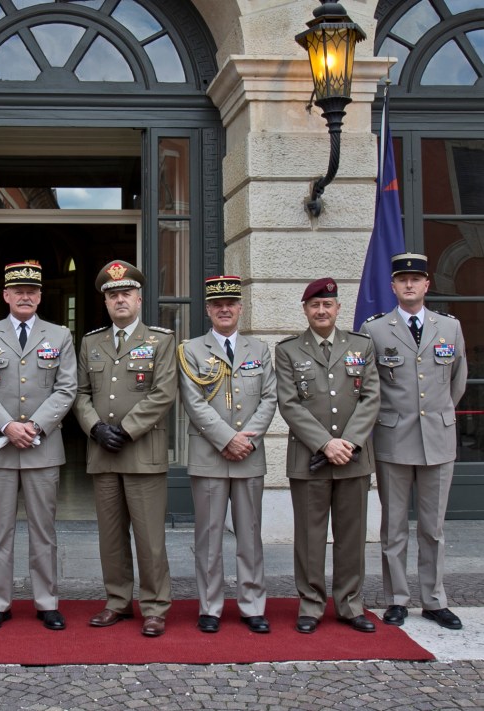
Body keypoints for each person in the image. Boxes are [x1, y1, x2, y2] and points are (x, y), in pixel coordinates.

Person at [0, 260, 77, 632]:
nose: (25, 296)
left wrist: (36, 426)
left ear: (40, 296)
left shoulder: (59, 335)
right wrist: (8, 426)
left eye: (32, 291)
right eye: (18, 291)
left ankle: (46, 602)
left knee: (44, 530)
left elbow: (67, 389)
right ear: (6, 295)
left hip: (43, 447)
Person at [361, 253, 468, 630]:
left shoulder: (449, 328)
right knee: (393, 527)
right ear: (393, 286)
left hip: (438, 439)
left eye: (416, 279)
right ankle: (397, 599)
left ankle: (435, 600)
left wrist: (438, 415)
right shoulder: (375, 330)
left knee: (432, 528)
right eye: (402, 279)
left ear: (426, 285)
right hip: (393, 438)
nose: (409, 285)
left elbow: (458, 380)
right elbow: (368, 386)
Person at [72, 260, 177, 637]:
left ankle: (154, 606)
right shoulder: (90, 342)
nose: (120, 300)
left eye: (126, 293)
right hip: (103, 453)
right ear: (105, 301)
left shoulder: (161, 341)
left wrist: (127, 430)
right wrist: (95, 427)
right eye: (113, 294)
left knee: (150, 539)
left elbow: (163, 393)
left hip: (142, 452)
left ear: (139, 297)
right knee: (111, 536)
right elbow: (80, 393)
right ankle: (117, 601)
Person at [275, 277, 379, 634]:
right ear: (305, 310)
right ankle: (311, 604)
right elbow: (289, 404)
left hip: (353, 458)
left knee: (352, 536)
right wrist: (325, 443)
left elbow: (370, 398)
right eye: (314, 305)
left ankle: (350, 604)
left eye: (328, 305)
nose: (321, 311)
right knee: (309, 537)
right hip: (309, 458)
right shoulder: (288, 350)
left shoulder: (361, 346)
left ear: (338, 308)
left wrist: (347, 442)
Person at [177, 275, 277, 634]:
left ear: (240, 308)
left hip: (249, 453)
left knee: (250, 533)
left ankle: (252, 605)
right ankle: (210, 606)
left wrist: (246, 439)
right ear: (208, 309)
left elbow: (269, 398)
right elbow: (193, 402)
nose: (224, 309)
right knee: (209, 535)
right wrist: (226, 439)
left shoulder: (259, 350)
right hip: (210, 454)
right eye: (217, 305)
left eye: (231, 303)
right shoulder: (191, 350)